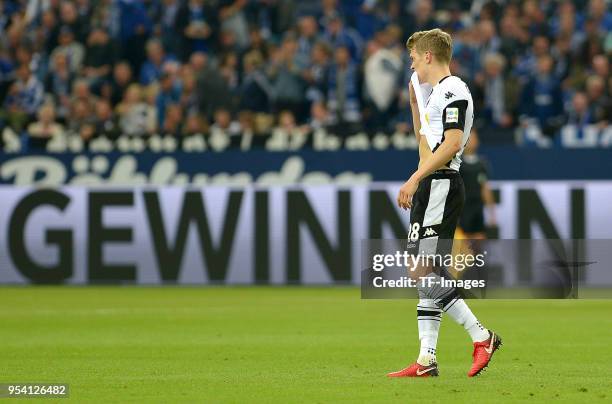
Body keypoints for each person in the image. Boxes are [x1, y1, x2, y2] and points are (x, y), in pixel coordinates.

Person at [390, 29, 501, 378]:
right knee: (424, 273)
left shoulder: (454, 90)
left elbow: (452, 144)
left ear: (427, 56)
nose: (410, 64)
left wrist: (414, 178)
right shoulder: (433, 94)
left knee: (422, 270)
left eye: (413, 58)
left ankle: (482, 336)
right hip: (430, 184)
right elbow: (426, 137)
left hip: (442, 183)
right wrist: (413, 103)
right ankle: (426, 359)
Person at [458, 129, 496, 239]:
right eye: (469, 139)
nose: (472, 141)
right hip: (462, 209)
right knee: (463, 243)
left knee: (479, 241)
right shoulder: (457, 163)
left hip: (477, 208)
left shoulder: (482, 164)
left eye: (474, 138)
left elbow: (485, 188)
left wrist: (492, 213)